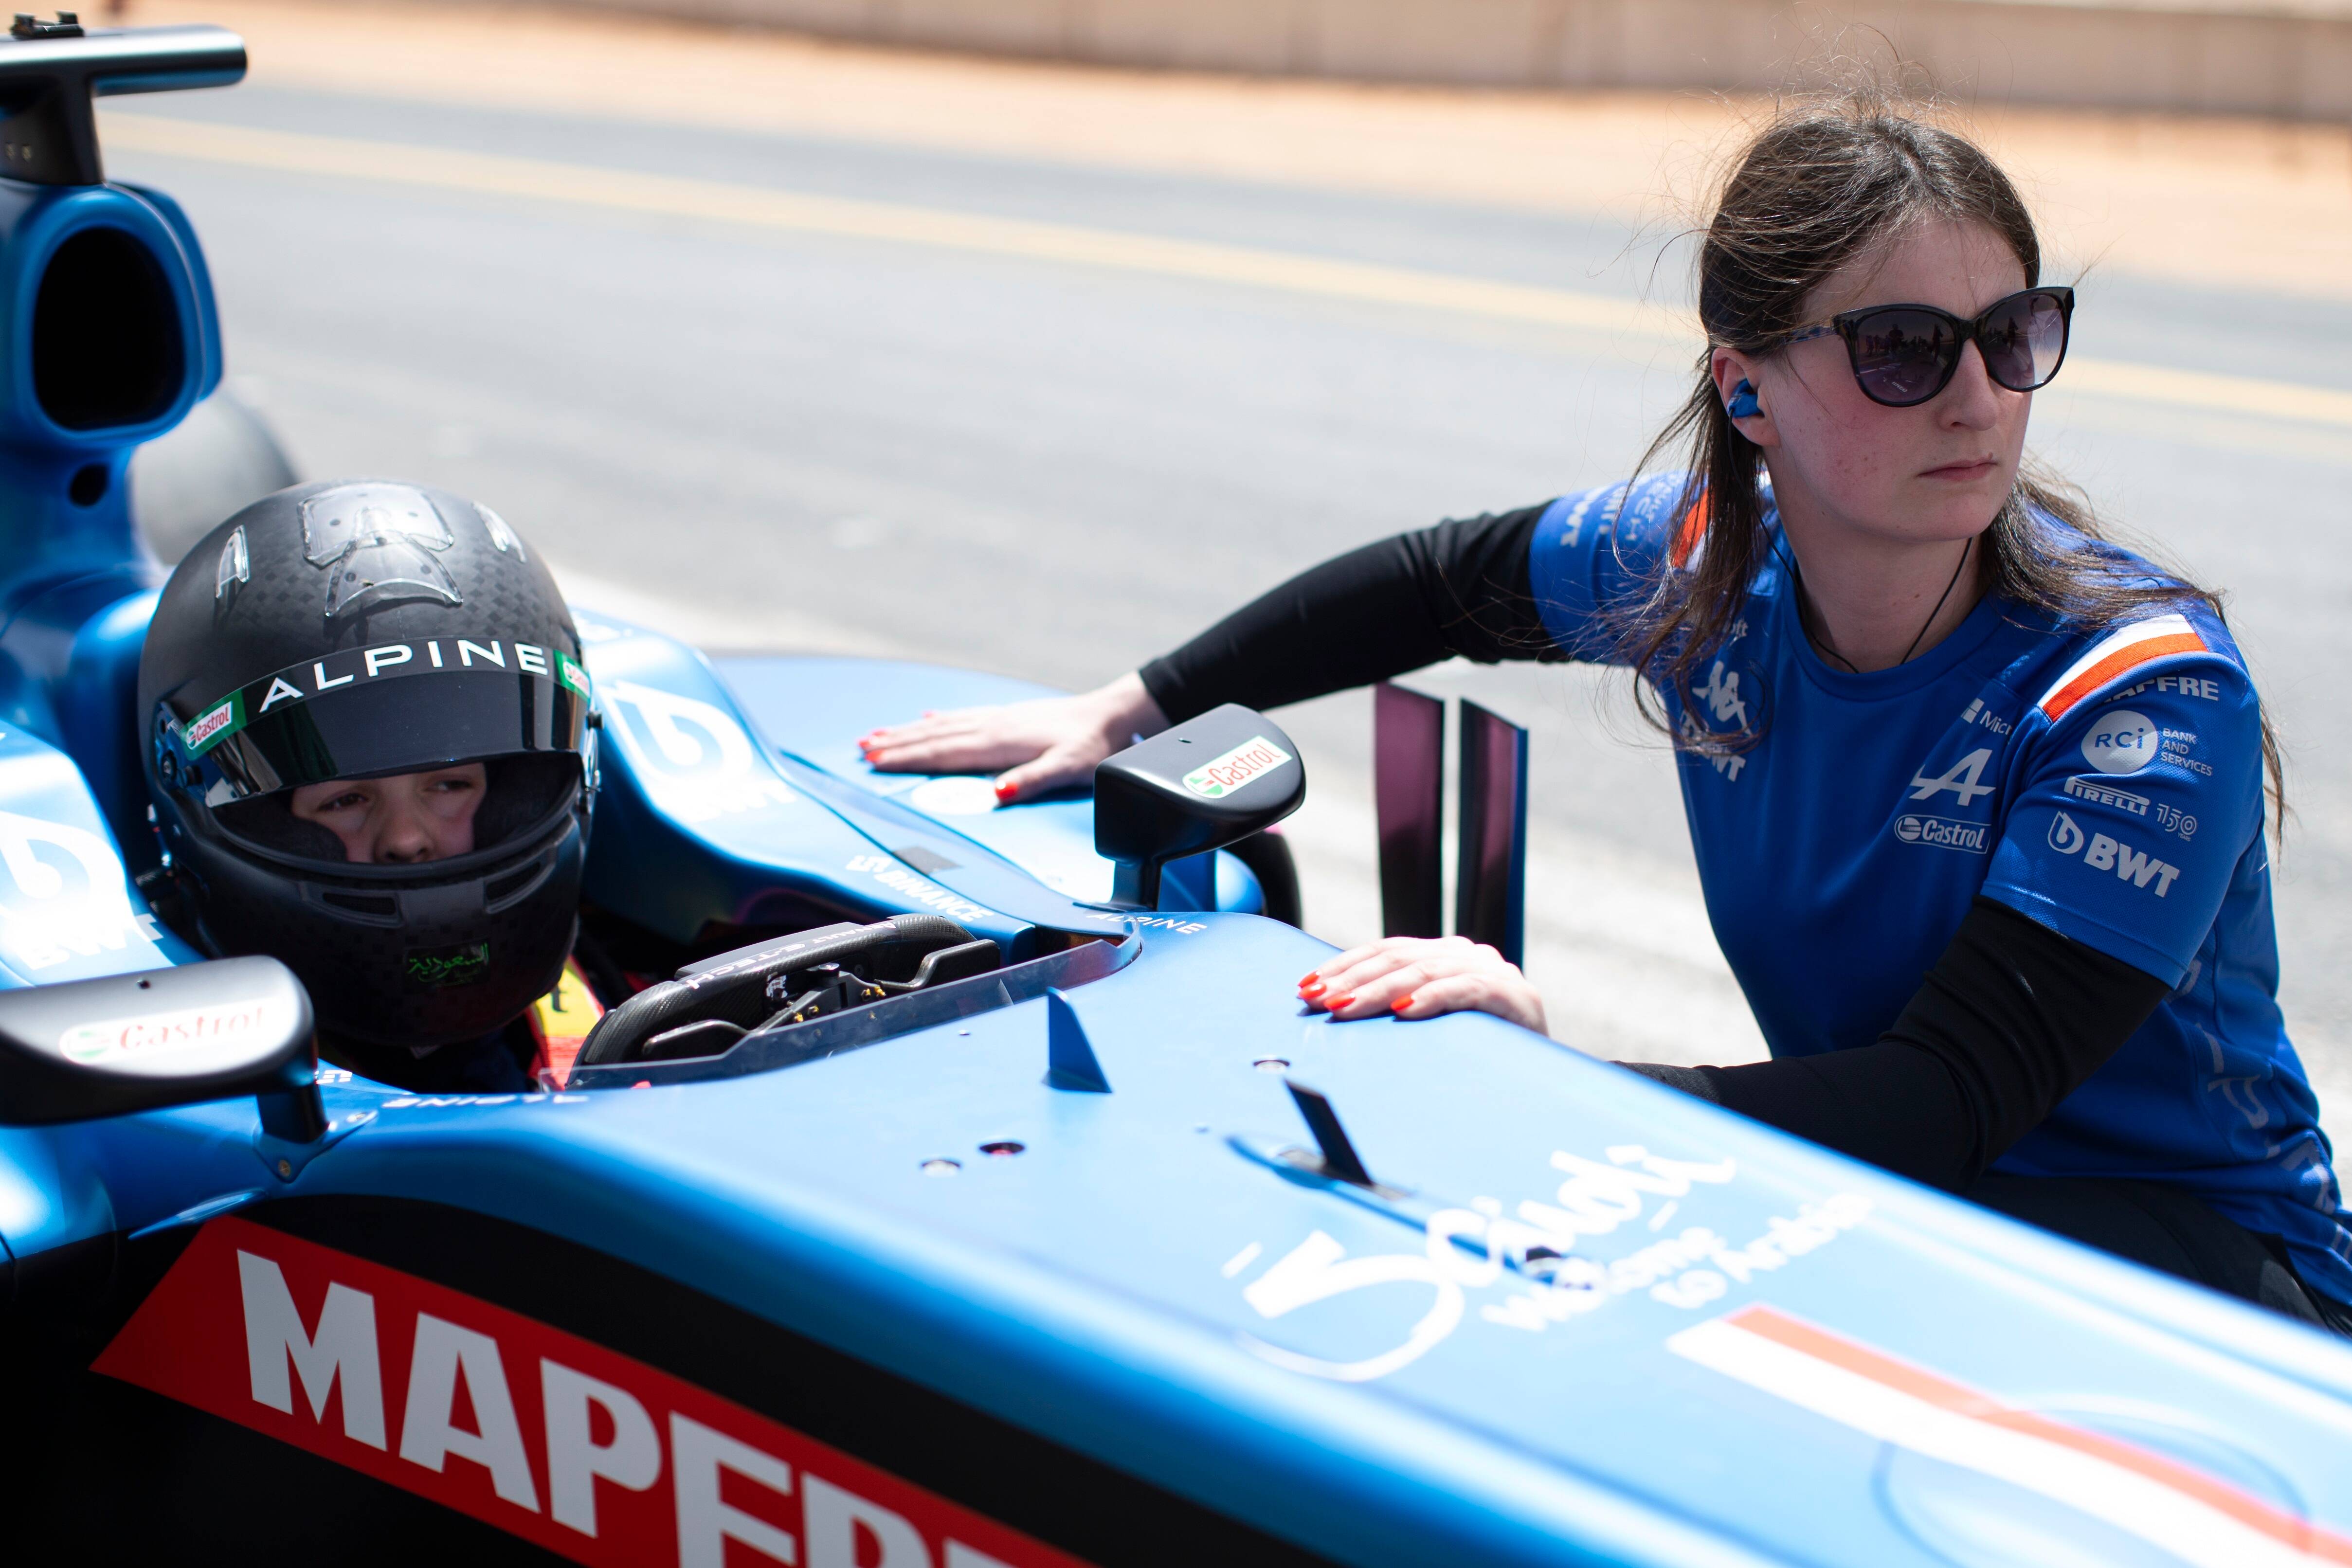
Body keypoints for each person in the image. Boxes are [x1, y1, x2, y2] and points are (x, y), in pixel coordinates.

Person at [858, 97, 2352, 1334]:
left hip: (2206, 1290)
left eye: (2013, 335)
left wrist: (1534, 1075)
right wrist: (1133, 706)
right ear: (1747, 387)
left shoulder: (2140, 696)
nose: (1976, 399)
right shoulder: (1705, 563)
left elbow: (1946, 1098)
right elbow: (1441, 583)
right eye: (1903, 350)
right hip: (1897, 1230)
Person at [138, 479, 600, 1091]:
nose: (407, 840)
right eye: (345, 799)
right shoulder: (169, 1067)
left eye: (450, 785)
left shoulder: (631, 995)